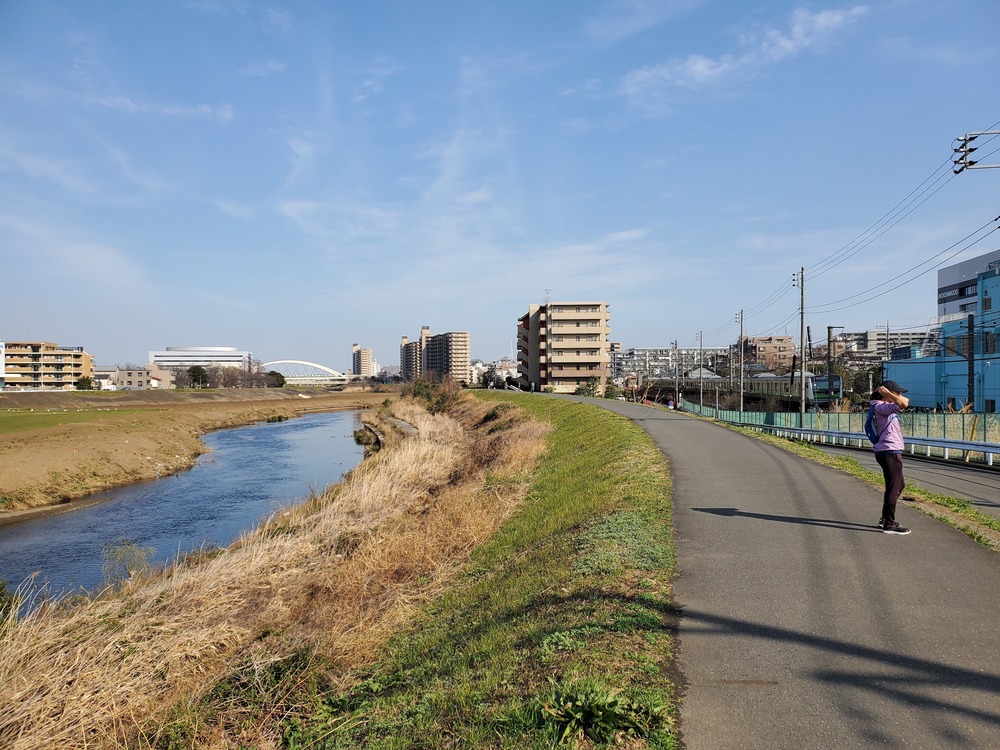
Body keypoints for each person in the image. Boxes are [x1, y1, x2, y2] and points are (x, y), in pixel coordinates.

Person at [870, 380, 911, 535]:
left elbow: (904, 402)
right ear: (888, 394)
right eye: (897, 392)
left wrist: (890, 395)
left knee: (898, 486)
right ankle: (889, 524)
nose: (899, 395)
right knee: (893, 488)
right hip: (889, 451)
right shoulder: (881, 407)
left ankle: (885, 519)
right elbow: (904, 403)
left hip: (888, 451)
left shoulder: (881, 407)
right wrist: (887, 394)